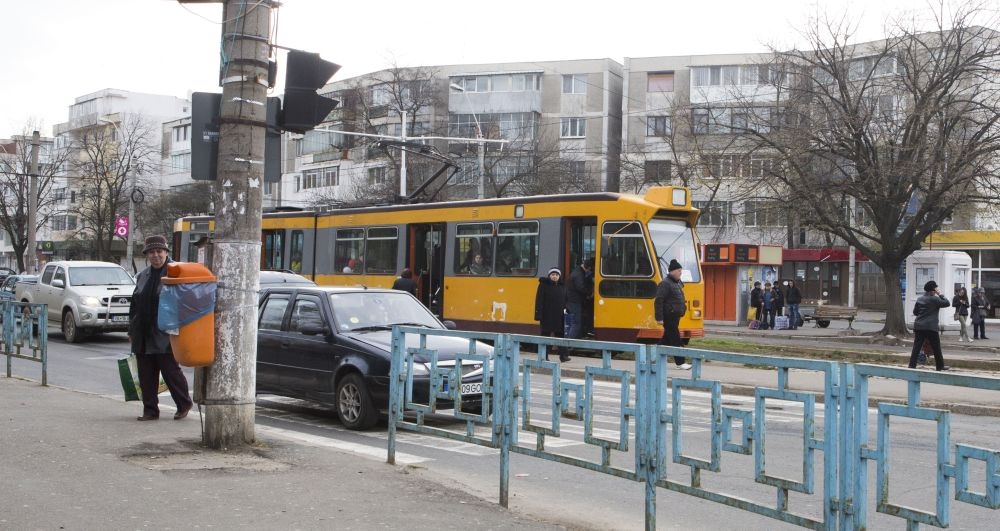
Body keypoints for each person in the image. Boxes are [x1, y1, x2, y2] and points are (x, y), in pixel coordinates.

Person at [128, 235, 194, 421]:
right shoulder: (143, 276)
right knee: (146, 374)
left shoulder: (176, 272)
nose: (155, 255)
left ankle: (183, 404)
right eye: (151, 252)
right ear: (147, 254)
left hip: (166, 331)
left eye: (159, 251)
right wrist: (131, 330)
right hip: (143, 331)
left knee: (170, 370)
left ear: (166, 252)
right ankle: (150, 411)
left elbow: (186, 301)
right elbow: (134, 305)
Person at [655, 259, 691, 370]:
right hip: (668, 316)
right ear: (672, 271)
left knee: (666, 339)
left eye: (681, 270)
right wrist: (659, 318)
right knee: (676, 339)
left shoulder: (676, 283)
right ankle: (680, 363)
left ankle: (653, 359)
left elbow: (679, 299)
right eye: (679, 270)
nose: (681, 272)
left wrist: (683, 309)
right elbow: (658, 301)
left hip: (675, 316)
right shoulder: (665, 283)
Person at [907, 280, 951, 371]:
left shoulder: (920, 299)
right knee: (936, 347)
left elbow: (915, 312)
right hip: (931, 327)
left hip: (919, 326)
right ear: (933, 289)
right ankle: (940, 366)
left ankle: (912, 365)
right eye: (936, 288)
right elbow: (947, 303)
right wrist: (940, 294)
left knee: (916, 347)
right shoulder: (935, 299)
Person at [534, 267, 568, 362]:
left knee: (561, 336)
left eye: (556, 275)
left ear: (559, 276)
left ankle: (563, 356)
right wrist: (538, 314)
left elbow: (565, 300)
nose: (554, 276)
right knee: (545, 336)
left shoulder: (562, 286)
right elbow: (539, 300)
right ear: (549, 276)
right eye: (552, 275)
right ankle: (544, 356)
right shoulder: (543, 285)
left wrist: (567, 310)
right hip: (547, 316)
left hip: (559, 316)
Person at [566, 258, 594, 346]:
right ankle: (568, 345)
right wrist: (590, 293)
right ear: (588, 268)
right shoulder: (578, 274)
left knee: (577, 322)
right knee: (576, 323)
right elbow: (581, 287)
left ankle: (572, 343)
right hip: (574, 301)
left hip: (574, 301)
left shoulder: (578, 272)